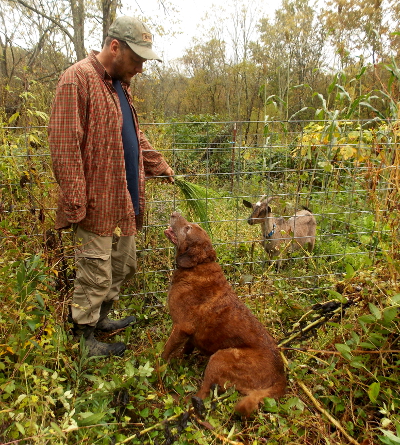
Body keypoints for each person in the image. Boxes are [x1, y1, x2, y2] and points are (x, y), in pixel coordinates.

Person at [48, 16, 174, 358]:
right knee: (94, 272)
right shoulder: (77, 80)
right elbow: (64, 146)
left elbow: (133, 136)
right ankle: (85, 339)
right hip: (95, 203)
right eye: (137, 60)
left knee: (122, 266)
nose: (141, 69)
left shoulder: (119, 86)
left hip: (125, 200)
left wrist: (157, 166)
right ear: (114, 47)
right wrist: (77, 202)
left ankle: (102, 319)